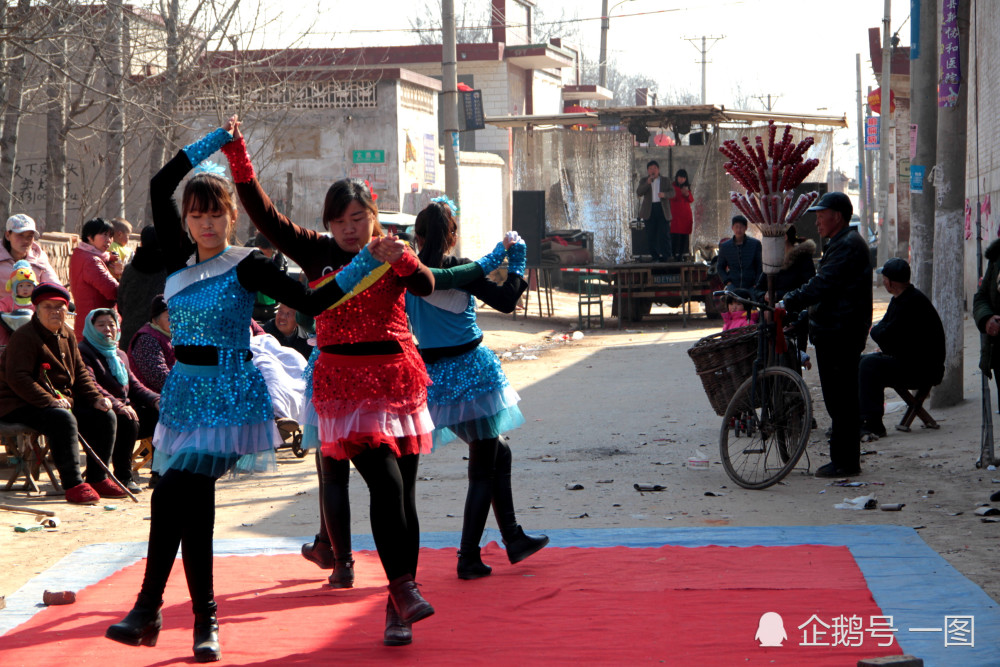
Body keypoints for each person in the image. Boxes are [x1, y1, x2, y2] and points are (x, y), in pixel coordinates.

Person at [105, 120, 385, 662]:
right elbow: (162, 181)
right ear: (185, 220)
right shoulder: (176, 260)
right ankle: (188, 619)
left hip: (228, 394)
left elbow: (316, 302)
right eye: (197, 213)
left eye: (216, 213)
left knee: (178, 497)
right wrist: (217, 140)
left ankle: (155, 609)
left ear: (231, 217)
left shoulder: (248, 263)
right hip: (184, 394)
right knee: (184, 504)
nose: (206, 222)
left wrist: (364, 266)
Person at [223, 120, 495, 647]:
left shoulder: (391, 252)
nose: (351, 228)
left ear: (374, 220)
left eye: (359, 218)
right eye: (341, 220)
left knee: (405, 499)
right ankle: (397, 584)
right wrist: (240, 159)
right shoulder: (317, 253)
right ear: (328, 223)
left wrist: (407, 259)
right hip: (344, 385)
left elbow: (429, 284)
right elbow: (263, 214)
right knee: (385, 482)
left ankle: (398, 606)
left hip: (398, 379)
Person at [405, 199, 548, 581]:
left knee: (498, 453)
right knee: (484, 466)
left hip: (434, 379)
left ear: (417, 237)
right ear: (451, 237)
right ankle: (469, 556)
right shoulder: (459, 270)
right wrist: (516, 261)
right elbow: (505, 301)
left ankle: (513, 538)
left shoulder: (407, 274)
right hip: (472, 372)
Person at [0, 283, 119, 504]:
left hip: (59, 402)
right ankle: (73, 484)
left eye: (60, 307)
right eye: (48, 307)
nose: (55, 312)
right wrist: (49, 401)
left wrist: (95, 398)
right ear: (37, 309)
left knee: (105, 415)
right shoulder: (24, 336)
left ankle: (97, 478)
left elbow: (80, 371)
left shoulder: (67, 334)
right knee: (62, 419)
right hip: (18, 403)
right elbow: (18, 378)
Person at [781, 192, 872, 478]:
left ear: (838, 217)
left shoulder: (848, 245)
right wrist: (806, 317)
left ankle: (845, 462)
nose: (817, 222)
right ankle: (844, 459)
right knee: (839, 399)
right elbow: (830, 293)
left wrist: (788, 302)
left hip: (841, 333)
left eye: (822, 216)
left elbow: (823, 285)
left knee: (841, 399)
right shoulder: (840, 243)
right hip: (835, 329)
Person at [859, 258, 945, 441]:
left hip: (923, 369)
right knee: (862, 362)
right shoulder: (900, 300)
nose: (883, 281)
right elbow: (886, 332)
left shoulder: (911, 303)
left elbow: (884, 334)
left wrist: (877, 332)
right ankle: (858, 418)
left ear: (891, 281)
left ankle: (873, 424)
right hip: (909, 361)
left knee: (869, 366)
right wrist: (880, 334)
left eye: (885, 278)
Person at [79, 308, 160, 494]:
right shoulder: (83, 352)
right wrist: (118, 405)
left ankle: (159, 472)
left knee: (159, 414)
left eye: (111, 325)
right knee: (127, 419)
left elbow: (134, 386)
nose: (107, 329)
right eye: (101, 325)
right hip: (95, 411)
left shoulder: (119, 354)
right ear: (91, 328)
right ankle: (124, 476)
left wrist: (156, 399)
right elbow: (91, 385)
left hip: (122, 408)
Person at [0, 214, 60, 345]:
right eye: (20, 235)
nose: (25, 240)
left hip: (34, 317)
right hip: (3, 316)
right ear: (7, 235)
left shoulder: (39, 258)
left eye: (29, 236)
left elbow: (52, 283)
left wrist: (60, 296)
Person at [69, 217, 122, 341]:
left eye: (111, 236)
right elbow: (113, 291)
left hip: (88, 323)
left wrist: (109, 258)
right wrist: (121, 275)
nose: (109, 240)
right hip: (97, 327)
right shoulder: (92, 261)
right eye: (104, 235)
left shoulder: (81, 254)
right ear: (90, 236)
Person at [117, 226, 168, 350]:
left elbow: (121, 304)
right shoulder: (170, 270)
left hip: (130, 335)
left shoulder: (129, 270)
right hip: (160, 336)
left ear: (142, 242)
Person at [127, 295, 174, 394]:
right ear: (155, 320)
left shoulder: (172, 337)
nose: (175, 320)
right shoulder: (146, 339)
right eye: (169, 317)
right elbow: (157, 376)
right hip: (153, 401)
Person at [635, 160, 676, 263]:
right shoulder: (644, 180)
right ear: (648, 171)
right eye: (650, 169)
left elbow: (673, 193)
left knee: (664, 234)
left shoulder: (666, 180)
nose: (653, 171)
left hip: (662, 209)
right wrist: (647, 183)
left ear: (658, 169)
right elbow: (639, 192)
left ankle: (667, 256)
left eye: (655, 168)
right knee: (651, 235)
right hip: (649, 209)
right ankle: (655, 256)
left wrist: (665, 195)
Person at [717, 215, 763, 290]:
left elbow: (760, 266)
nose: (739, 229)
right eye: (736, 227)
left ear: (746, 228)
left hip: (751, 286)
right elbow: (720, 267)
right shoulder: (725, 246)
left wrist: (756, 284)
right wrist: (728, 282)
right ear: (732, 228)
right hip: (733, 286)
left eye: (741, 227)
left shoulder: (755, 244)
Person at [669, 169, 695, 261]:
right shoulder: (672, 186)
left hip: (686, 214)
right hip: (676, 215)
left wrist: (687, 194)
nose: (681, 179)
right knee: (675, 235)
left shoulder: (687, 187)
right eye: (680, 177)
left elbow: (691, 200)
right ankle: (673, 254)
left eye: (683, 178)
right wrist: (682, 193)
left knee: (684, 236)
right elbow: (672, 197)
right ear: (677, 177)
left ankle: (680, 255)